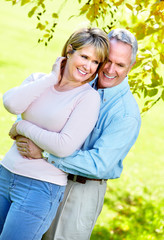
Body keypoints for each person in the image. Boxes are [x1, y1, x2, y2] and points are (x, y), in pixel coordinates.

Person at [10, 28, 141, 240]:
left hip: (79, 191)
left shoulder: (126, 114)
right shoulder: (80, 78)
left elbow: (100, 164)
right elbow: (41, 106)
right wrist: (22, 127)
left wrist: (44, 153)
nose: (109, 69)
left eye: (120, 65)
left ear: (131, 66)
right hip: (41, 178)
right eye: (106, 60)